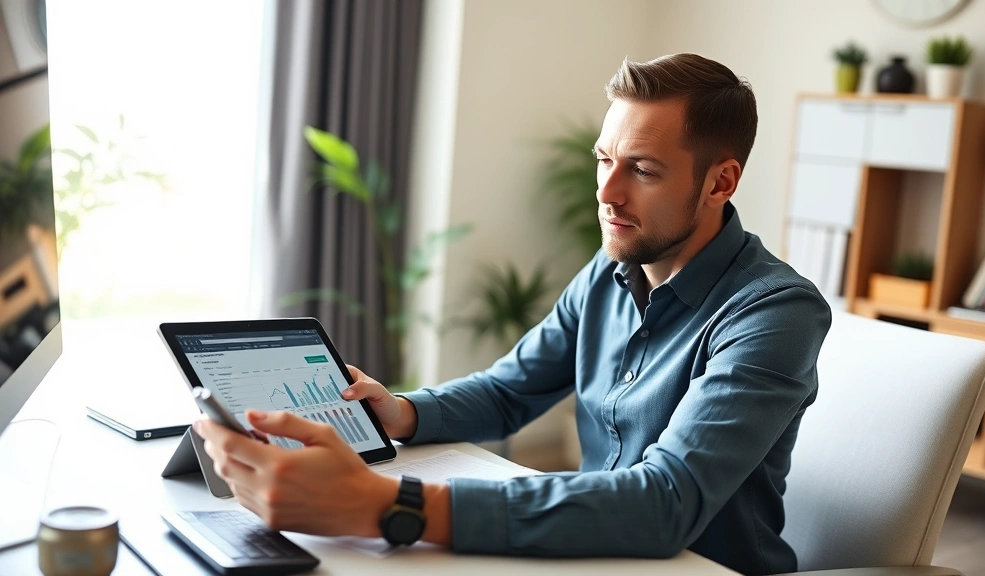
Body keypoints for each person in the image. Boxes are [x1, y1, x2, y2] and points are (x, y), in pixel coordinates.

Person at [194, 53, 831, 576]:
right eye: (604, 160)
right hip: (598, 555)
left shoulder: (775, 313)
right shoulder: (611, 271)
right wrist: (404, 411)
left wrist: (390, 503)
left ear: (721, 182)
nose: (607, 193)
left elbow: (665, 502)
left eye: (642, 169)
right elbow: (510, 391)